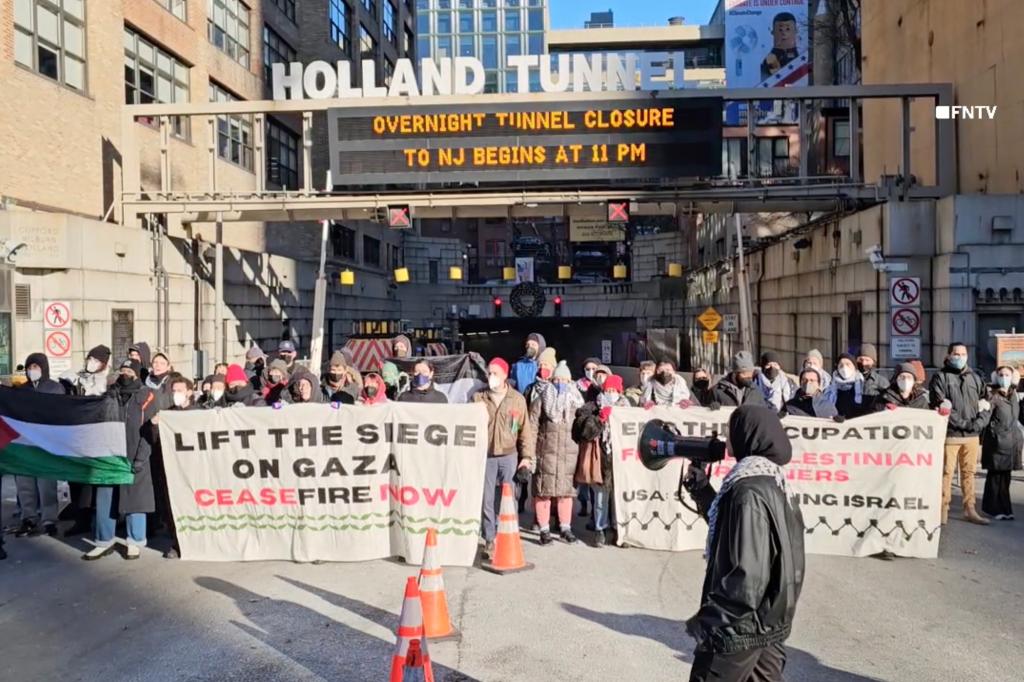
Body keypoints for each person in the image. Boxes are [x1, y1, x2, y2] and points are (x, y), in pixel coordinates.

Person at [683, 405, 805, 682]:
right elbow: (736, 532)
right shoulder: (775, 483)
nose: (727, 440)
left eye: (731, 432)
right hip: (769, 620)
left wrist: (713, 621)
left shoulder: (746, 490)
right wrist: (702, 489)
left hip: (738, 628)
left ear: (748, 435)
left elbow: (748, 571)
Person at [83, 360, 159, 560]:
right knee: (106, 497)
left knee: (135, 499)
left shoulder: (147, 396)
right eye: (123, 370)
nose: (125, 373)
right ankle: (103, 540)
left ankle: (135, 540)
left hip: (135, 453)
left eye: (129, 370)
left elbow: (150, 429)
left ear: (137, 374)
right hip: (110, 455)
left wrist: (141, 457)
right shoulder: (109, 395)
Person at [472, 358, 535, 559]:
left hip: (509, 455)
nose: (491, 377)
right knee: (487, 500)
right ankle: (489, 539)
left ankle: (508, 535)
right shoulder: (478, 398)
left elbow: (525, 431)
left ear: (505, 375)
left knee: (509, 499)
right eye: (489, 373)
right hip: (486, 456)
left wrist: (526, 457)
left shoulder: (517, 399)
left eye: (495, 373)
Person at [929, 342, 992, 525]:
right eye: (956, 353)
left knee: (969, 473)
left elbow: (986, 404)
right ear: (949, 355)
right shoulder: (940, 377)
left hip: (972, 436)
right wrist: (966, 424)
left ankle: (969, 509)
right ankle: (942, 509)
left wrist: (978, 424)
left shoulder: (975, 378)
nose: (960, 357)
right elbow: (939, 404)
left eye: (963, 353)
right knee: (946, 473)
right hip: (950, 434)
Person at [528, 361, 585, 545]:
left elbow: (583, 427)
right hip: (546, 452)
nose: (561, 383)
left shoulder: (576, 402)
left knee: (565, 493)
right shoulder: (542, 398)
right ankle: (544, 529)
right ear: (552, 379)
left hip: (569, 454)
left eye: (564, 379)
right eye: (557, 379)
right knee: (544, 491)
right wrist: (530, 453)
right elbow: (532, 426)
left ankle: (565, 528)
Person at [574, 374, 629, 547]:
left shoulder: (627, 407)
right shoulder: (592, 407)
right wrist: (600, 419)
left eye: (614, 390)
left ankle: (618, 531)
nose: (611, 393)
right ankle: (600, 529)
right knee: (600, 498)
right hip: (600, 459)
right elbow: (583, 432)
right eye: (608, 390)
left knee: (619, 499)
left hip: (621, 460)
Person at [13, 353, 63, 537]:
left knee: (46, 484)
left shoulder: (55, 388)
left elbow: (61, 413)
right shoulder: (21, 390)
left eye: (36, 367)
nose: (32, 371)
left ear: (44, 368)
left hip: (46, 444)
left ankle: (49, 520)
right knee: (25, 483)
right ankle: (28, 518)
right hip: (24, 443)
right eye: (29, 368)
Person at [157, 374, 194, 558]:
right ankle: (178, 544)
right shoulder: (168, 414)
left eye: (180, 391)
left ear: (189, 392)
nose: (177, 394)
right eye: (174, 391)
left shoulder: (199, 412)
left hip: (195, 469)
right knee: (175, 506)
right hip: (174, 470)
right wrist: (154, 425)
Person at [981, 367, 1022, 520]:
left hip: (1011, 443)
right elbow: (985, 416)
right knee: (995, 477)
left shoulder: (1014, 395)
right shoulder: (993, 395)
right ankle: (992, 509)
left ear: (1012, 377)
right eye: (1001, 375)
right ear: (996, 377)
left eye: (1007, 375)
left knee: (1006, 478)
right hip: (996, 442)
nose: (1004, 377)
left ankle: (1005, 509)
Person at [825, 354, 869, 420]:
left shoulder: (864, 386)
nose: (844, 368)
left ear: (854, 367)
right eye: (841, 365)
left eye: (848, 364)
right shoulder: (830, 389)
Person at [760, 11, 799, 80]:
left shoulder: (800, 55)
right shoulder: (771, 58)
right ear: (773, 32)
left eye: (788, 29)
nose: (784, 33)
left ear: (796, 31)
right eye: (780, 30)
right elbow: (775, 79)